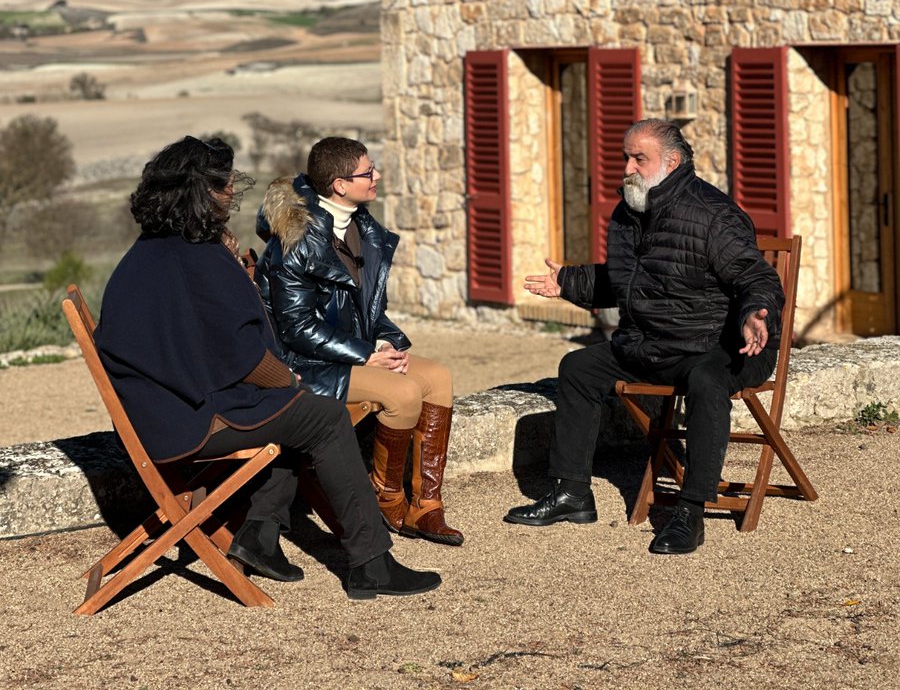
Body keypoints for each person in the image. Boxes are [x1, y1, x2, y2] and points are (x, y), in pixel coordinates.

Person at [94, 135, 441, 599]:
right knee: (323, 415)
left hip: (164, 414)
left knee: (293, 410)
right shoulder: (197, 257)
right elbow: (241, 352)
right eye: (221, 188)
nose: (228, 197)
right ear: (200, 194)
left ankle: (258, 536)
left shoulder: (154, 251)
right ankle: (372, 563)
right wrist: (288, 378)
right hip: (190, 421)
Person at [504, 118, 784, 554]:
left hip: (719, 343)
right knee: (578, 366)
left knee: (707, 382)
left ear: (671, 162)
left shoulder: (712, 213)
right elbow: (623, 281)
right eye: (626, 158)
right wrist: (568, 284)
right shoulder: (628, 211)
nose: (628, 168)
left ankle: (689, 511)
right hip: (652, 342)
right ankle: (572, 494)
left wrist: (755, 314)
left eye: (639, 158)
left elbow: (755, 275)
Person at [254, 136, 463, 546]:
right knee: (403, 393)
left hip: (351, 353)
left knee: (438, 377)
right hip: (305, 365)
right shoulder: (295, 241)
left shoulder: (363, 229)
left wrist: (385, 343)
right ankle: (387, 498)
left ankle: (425, 505)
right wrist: (367, 354)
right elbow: (296, 329)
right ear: (339, 185)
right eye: (368, 173)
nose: (377, 177)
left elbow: (366, 309)